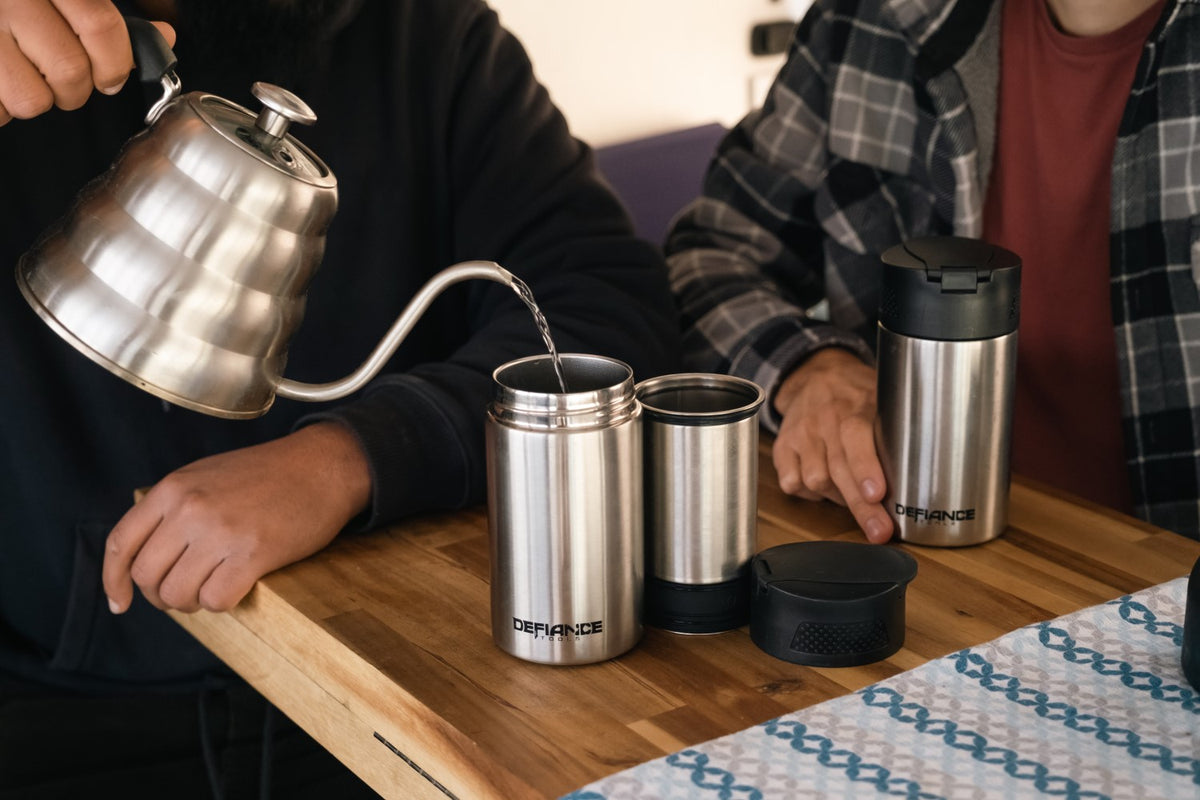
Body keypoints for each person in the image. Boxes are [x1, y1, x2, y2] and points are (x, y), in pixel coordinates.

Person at [0, 0, 681, 797]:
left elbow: (604, 306)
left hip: (387, 700)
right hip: (55, 709)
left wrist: (351, 456)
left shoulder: (432, 37)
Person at [666, 0, 1200, 542]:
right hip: (904, 551)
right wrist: (809, 369)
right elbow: (710, 255)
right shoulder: (866, 21)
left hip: (1169, 576)